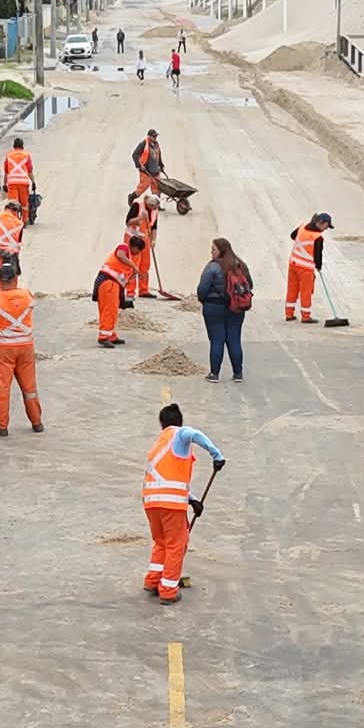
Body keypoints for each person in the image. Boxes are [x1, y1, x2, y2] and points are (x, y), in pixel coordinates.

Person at [142, 403, 223, 605]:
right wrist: (216, 454)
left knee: (161, 542)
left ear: (162, 424)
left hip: (151, 502)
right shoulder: (179, 434)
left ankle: (153, 581)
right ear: (179, 422)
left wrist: (192, 499)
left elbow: (168, 480)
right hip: (171, 504)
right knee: (176, 544)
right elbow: (192, 433)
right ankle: (168, 590)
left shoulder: (159, 445)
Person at [0, 262, 43, 437]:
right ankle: (37, 422)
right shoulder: (27, 295)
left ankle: (2, 425)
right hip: (26, 348)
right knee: (30, 388)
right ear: (16, 278)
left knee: (2, 387)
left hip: (4, 350)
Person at [198, 237, 251, 383]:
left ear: (220, 250)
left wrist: (204, 300)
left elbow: (202, 289)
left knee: (217, 341)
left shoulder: (213, 267)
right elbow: (249, 285)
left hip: (214, 308)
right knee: (234, 340)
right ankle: (238, 374)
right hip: (236, 308)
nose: (211, 252)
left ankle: (214, 374)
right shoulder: (240, 265)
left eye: (213, 249)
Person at [95, 234, 144, 347]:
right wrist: (134, 266)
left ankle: (111, 335)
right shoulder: (123, 247)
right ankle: (104, 337)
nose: (139, 253)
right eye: (139, 250)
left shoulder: (129, 257)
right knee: (109, 310)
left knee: (113, 310)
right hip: (108, 283)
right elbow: (120, 255)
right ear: (134, 247)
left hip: (113, 284)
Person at [285, 213, 332, 324]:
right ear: (321, 223)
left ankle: (289, 314)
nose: (325, 229)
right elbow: (318, 255)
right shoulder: (317, 238)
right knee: (306, 292)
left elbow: (292, 236)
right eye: (326, 226)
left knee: (292, 289)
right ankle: (306, 316)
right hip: (305, 268)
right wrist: (318, 266)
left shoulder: (302, 227)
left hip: (293, 264)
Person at [0, 199, 27, 279]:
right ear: (17, 212)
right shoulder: (19, 224)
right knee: (11, 280)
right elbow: (18, 242)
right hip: (11, 255)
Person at [129, 191, 162, 298]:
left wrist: (154, 240)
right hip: (133, 239)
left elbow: (154, 227)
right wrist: (140, 218)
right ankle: (130, 291)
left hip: (145, 240)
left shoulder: (154, 211)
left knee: (145, 265)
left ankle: (143, 290)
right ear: (146, 201)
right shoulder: (137, 205)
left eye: (155, 206)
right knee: (133, 265)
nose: (152, 207)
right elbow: (128, 222)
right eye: (151, 205)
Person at [3, 137, 36, 216]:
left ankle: (14, 221)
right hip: (23, 183)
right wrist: (33, 182)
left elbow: (6, 172)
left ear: (14, 146)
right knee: (24, 204)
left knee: (13, 204)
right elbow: (30, 171)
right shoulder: (26, 155)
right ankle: (24, 221)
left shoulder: (9, 156)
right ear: (22, 146)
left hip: (12, 183)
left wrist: (4, 184)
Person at [132, 128, 163, 197]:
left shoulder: (156, 144)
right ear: (149, 136)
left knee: (157, 188)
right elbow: (134, 154)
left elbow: (159, 155)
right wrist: (139, 165)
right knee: (142, 188)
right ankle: (131, 198)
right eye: (154, 136)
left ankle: (156, 205)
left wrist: (161, 165)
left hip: (155, 170)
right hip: (146, 171)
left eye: (156, 136)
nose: (155, 138)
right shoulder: (143, 144)